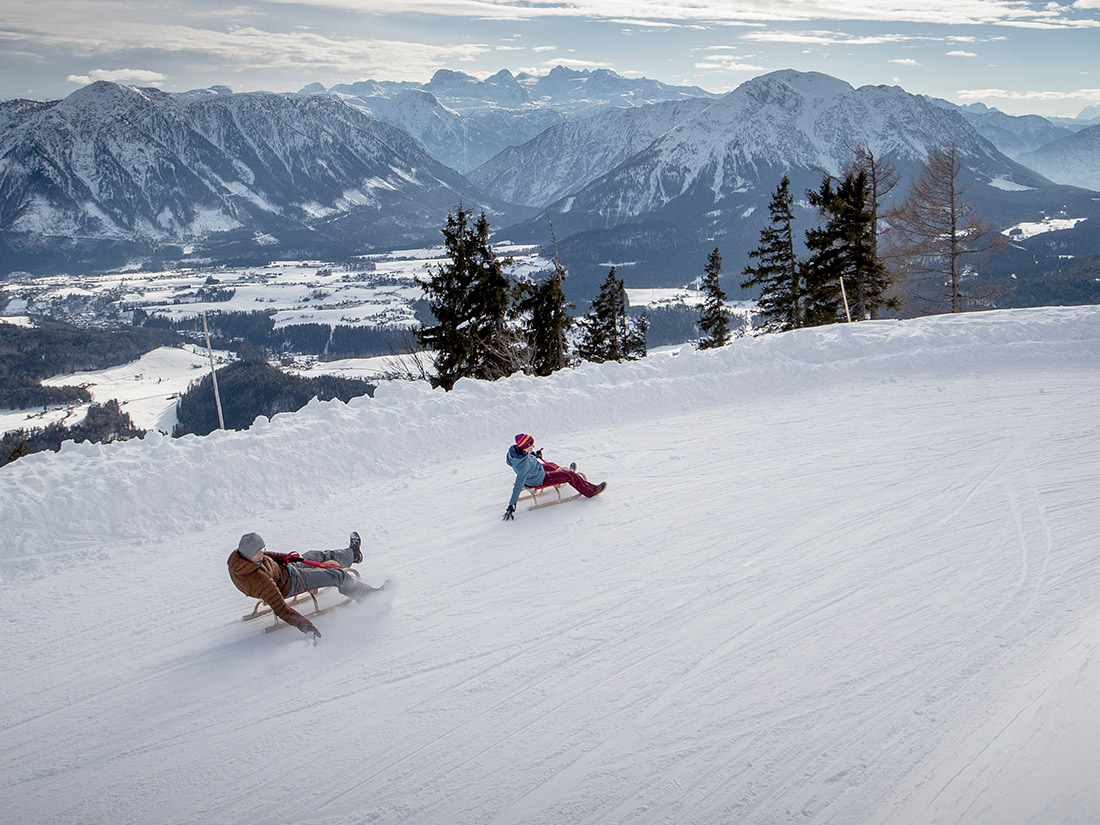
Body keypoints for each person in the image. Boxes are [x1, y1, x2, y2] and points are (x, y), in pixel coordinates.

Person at [227, 531, 375, 639]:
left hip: (286, 570)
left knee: (316, 555)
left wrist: (288, 558)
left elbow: (267, 556)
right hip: (291, 583)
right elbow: (281, 609)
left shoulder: (242, 556)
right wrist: (306, 626)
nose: (263, 553)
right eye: (261, 551)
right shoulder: (260, 580)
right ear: (252, 554)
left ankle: (353, 554)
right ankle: (367, 596)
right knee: (337, 575)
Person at [503, 432, 606, 520]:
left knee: (551, 465)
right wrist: (512, 505)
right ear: (525, 447)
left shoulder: (515, 452)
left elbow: (527, 457)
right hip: (539, 479)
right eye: (531, 446)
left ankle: (564, 472)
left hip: (536, 470)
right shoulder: (523, 466)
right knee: (569, 475)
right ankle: (590, 491)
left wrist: (534, 455)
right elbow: (518, 485)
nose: (532, 447)